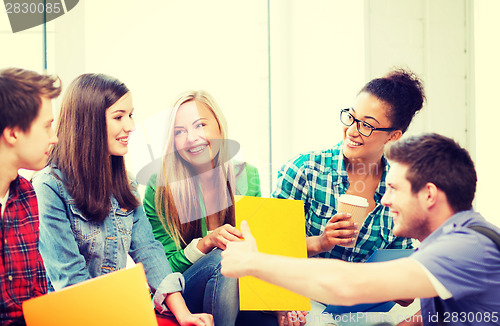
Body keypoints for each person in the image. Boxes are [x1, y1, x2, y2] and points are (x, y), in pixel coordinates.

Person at [221, 133, 500, 326]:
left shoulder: (466, 247)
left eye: (393, 189)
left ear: (429, 195)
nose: (385, 199)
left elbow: (348, 285)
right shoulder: (453, 242)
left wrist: (253, 262)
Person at [32, 74, 213, 326]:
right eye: (119, 117)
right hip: (74, 316)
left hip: (112, 311)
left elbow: (148, 250)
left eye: (130, 115)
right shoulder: (48, 187)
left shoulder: (125, 182)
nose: (130, 126)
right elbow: (71, 280)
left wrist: (184, 315)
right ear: (89, 122)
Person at [273, 68, 425, 263]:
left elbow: (398, 266)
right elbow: (269, 246)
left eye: (366, 125)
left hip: (367, 293)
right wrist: (319, 243)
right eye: (351, 117)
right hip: (302, 292)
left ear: (393, 135)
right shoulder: (305, 171)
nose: (352, 131)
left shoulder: (399, 191)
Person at [143, 90, 261, 326]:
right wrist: (205, 243)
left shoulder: (246, 175)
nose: (191, 138)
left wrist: (279, 304)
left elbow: (261, 249)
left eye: (200, 125)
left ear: (219, 126)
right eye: (180, 132)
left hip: (238, 290)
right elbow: (161, 268)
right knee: (223, 257)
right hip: (185, 292)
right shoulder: (161, 188)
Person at [0, 67, 61, 326]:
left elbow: (37, 291)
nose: (54, 138)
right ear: (13, 133)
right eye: (47, 126)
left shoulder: (26, 194)